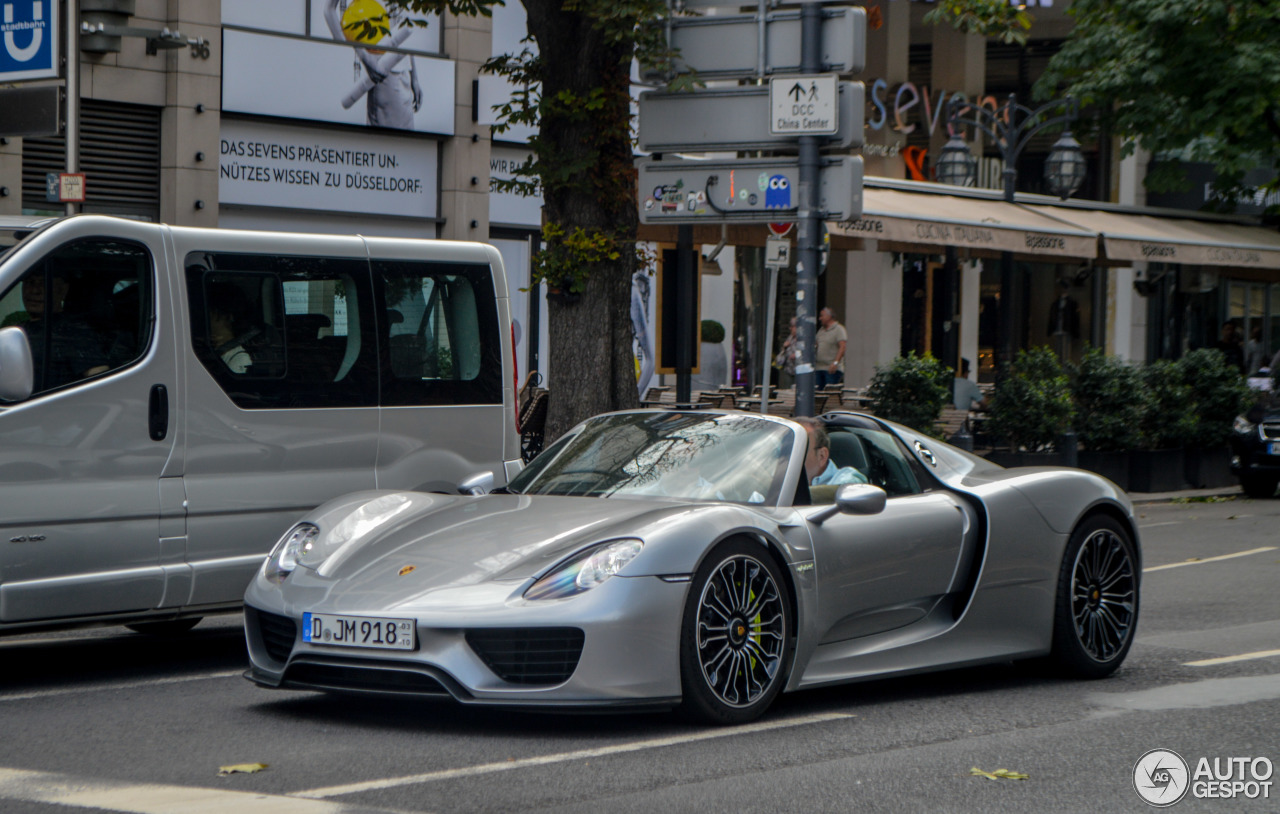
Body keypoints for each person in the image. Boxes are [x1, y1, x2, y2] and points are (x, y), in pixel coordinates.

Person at [325, 0, 423, 130]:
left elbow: (403, 20)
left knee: (404, 140)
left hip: (403, 69)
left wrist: (414, 77)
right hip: (381, 65)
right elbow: (329, 9)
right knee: (390, 139)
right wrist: (360, 54)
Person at [795, 417, 867, 486]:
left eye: (798, 450)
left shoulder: (845, 481)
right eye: (786, 450)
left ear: (822, 456)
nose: (789, 458)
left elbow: (849, 486)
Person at [206, 282, 256, 374]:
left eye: (211, 312)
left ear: (228, 316)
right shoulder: (213, 350)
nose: (207, 318)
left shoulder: (239, 360)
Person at [815, 307, 847, 389]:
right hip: (819, 367)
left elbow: (842, 346)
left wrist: (835, 363)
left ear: (829, 316)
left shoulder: (839, 329)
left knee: (829, 394)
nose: (820, 318)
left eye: (822, 316)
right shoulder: (821, 330)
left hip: (831, 368)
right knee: (818, 393)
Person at [774, 317, 798, 388]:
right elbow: (778, 362)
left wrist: (797, 355)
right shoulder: (789, 339)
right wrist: (784, 348)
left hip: (800, 373)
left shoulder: (805, 339)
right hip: (789, 372)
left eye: (793, 326)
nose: (791, 329)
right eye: (790, 326)